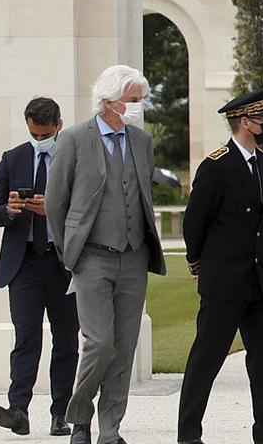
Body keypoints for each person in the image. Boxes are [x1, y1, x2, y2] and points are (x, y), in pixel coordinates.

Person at [176, 87, 263, 444]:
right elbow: (196, 222)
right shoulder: (217, 166)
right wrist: (199, 264)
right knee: (207, 357)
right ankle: (188, 433)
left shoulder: (260, 161)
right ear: (245, 122)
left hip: (257, 275)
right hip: (224, 278)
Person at [44, 65, 167, 444]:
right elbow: (55, 201)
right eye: (132, 100)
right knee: (99, 342)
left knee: (124, 347)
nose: (138, 107)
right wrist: (71, 254)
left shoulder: (141, 141)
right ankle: (79, 416)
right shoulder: (75, 139)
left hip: (134, 258)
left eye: (139, 100)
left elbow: (140, 194)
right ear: (110, 101)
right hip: (92, 258)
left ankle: (110, 429)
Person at [0, 97, 78, 438]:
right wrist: (9, 210)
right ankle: (18, 410)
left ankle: (61, 413)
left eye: (44, 133)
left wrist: (50, 210)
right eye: (33, 133)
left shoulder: (72, 157)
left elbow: (85, 210)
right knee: (26, 336)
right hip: (23, 263)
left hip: (62, 262)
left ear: (58, 125)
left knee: (66, 340)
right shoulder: (13, 159)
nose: (39, 138)